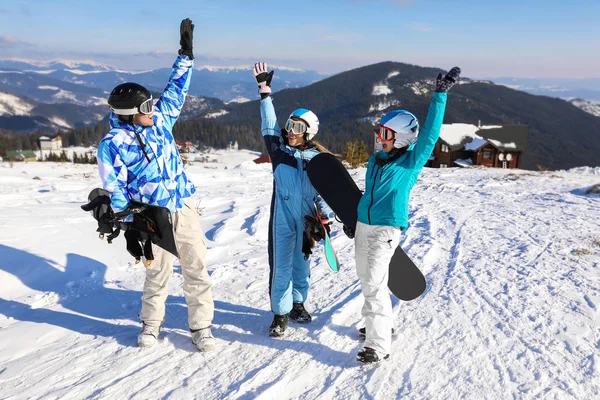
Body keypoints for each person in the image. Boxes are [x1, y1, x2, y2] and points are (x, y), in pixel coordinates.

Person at [96, 18, 216, 352]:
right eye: (147, 107)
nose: (154, 109)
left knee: (196, 269)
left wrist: (186, 55)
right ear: (130, 113)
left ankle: (201, 327)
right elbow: (114, 184)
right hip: (152, 216)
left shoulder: (160, 121)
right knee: (157, 274)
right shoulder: (113, 143)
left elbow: (177, 89)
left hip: (183, 206)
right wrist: (124, 216)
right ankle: (151, 324)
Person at [347, 67, 461, 364]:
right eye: (378, 132)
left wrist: (439, 96)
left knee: (373, 283)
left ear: (400, 138)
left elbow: (430, 135)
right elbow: (368, 195)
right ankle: (378, 325)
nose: (379, 139)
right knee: (367, 281)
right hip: (363, 226)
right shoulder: (375, 161)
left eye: (384, 134)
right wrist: (355, 220)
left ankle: (378, 345)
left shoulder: (410, 163)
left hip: (385, 230)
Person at [252, 62, 335, 337]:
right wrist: (265, 93)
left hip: (307, 220)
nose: (289, 131)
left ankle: (298, 303)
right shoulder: (279, 152)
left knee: (302, 264)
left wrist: (325, 218)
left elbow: (326, 193)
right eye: (289, 125)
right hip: (283, 220)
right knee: (281, 267)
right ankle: (280, 314)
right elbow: (270, 124)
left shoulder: (319, 161)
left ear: (309, 132)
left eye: (296, 127)